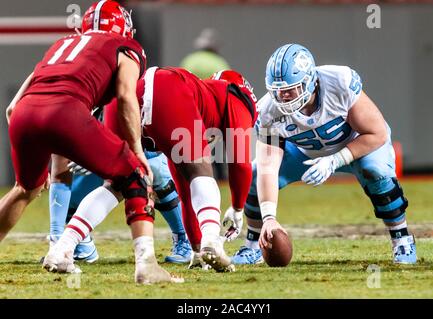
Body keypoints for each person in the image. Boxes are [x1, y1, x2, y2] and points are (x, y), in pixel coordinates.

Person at [1, 0, 180, 284]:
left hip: (25, 116)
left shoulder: (62, 45)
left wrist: (37, 151)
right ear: (123, 26)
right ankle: (147, 266)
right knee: (134, 173)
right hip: (66, 110)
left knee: (24, 189)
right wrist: (136, 151)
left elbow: (12, 108)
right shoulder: (126, 47)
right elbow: (125, 97)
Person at [49, 67, 258, 273]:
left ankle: (63, 247)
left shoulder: (199, 100)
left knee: (117, 185)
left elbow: (185, 194)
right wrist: (238, 208)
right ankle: (212, 238)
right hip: (165, 87)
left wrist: (196, 249)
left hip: (128, 93)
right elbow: (240, 162)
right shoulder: (235, 95)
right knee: (201, 170)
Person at [230, 43, 417, 265]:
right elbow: (268, 167)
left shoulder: (339, 82)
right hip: (304, 153)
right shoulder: (268, 110)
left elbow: (377, 134)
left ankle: (401, 238)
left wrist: (334, 161)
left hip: (356, 145)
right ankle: (253, 245)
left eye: (290, 89)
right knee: (255, 173)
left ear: (310, 81)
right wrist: (270, 217)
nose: (283, 97)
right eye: (277, 91)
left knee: (375, 171)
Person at [180, 28, 232, 181]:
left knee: (193, 145)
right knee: (215, 146)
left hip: (192, 109)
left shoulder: (190, 60)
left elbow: (181, 84)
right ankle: (220, 178)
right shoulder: (219, 62)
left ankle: (193, 176)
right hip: (213, 110)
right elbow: (227, 87)